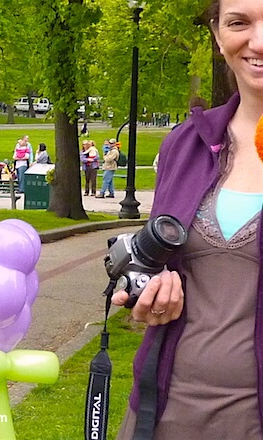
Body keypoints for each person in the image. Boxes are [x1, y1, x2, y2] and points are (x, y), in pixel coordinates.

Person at [112, 0, 263, 438]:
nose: (258, 41)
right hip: (165, 409)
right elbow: (157, 265)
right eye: (239, 22)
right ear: (218, 35)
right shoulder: (186, 144)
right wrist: (146, 295)